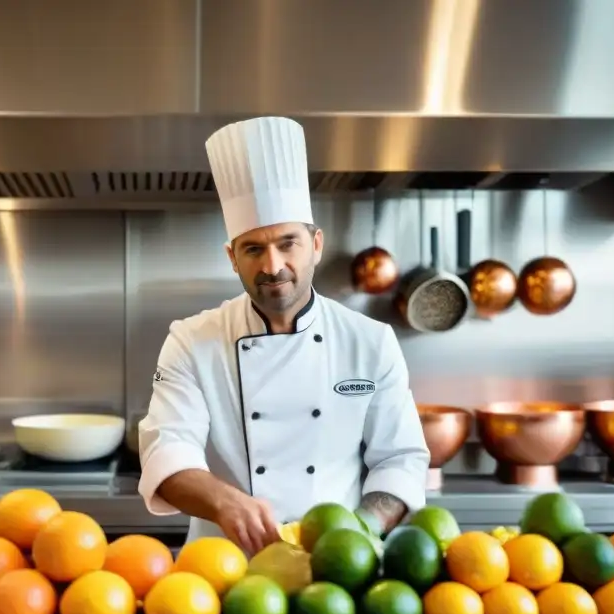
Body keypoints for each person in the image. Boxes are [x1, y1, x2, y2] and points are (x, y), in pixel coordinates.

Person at [138, 116, 430, 554]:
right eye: (253, 249)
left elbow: (401, 459)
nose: (272, 265)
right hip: (223, 569)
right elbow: (168, 449)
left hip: (338, 569)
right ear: (232, 258)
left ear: (315, 244)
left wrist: (359, 530)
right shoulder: (191, 341)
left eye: (287, 243)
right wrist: (225, 503)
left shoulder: (371, 342)